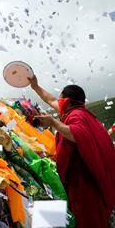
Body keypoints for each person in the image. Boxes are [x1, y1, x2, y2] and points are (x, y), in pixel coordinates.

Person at [28, 75, 115, 228]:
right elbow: (50, 99)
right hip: (85, 178)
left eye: (61, 98)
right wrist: (35, 86)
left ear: (67, 101)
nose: (58, 101)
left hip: (84, 184)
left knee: (87, 220)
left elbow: (78, 134)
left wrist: (54, 122)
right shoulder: (77, 112)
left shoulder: (78, 116)